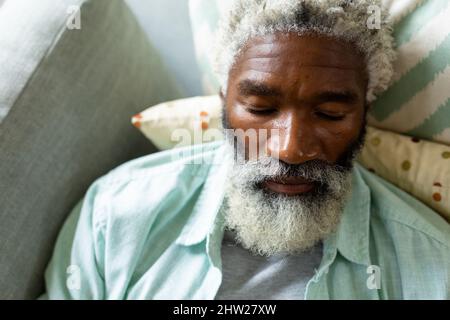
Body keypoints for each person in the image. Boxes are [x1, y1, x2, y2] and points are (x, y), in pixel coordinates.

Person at [43, 0, 450, 299]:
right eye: (260, 109)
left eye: (329, 114)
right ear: (223, 101)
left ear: (365, 114)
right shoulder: (117, 216)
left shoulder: (431, 267)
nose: (290, 149)